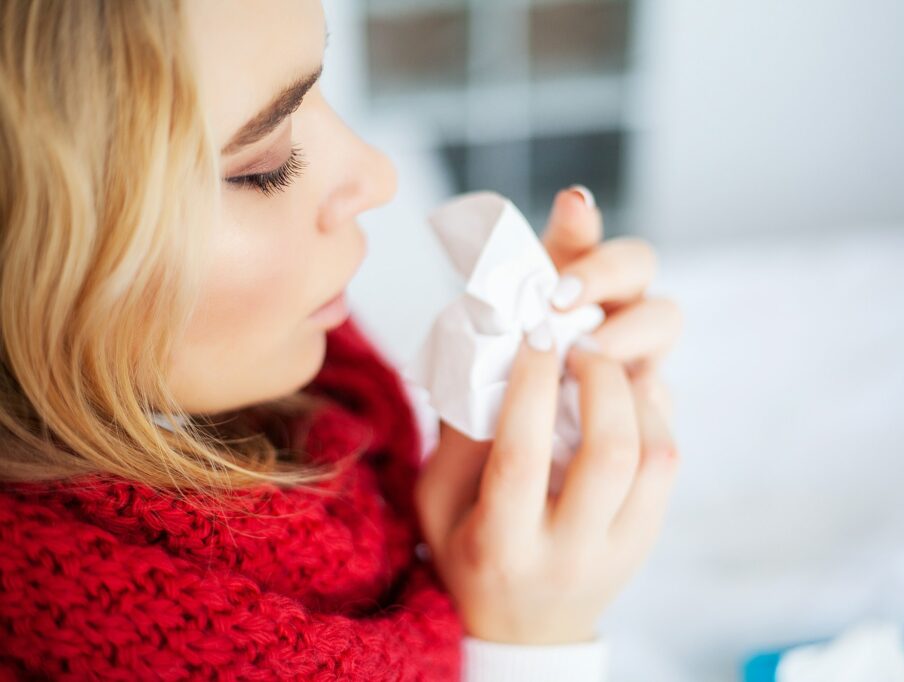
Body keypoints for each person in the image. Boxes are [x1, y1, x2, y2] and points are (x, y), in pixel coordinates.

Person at [0, 1, 682, 679]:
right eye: (261, 164)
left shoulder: (324, 414)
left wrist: (510, 482)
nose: (379, 176)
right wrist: (528, 646)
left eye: (317, 91)